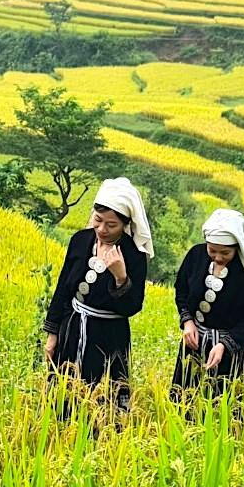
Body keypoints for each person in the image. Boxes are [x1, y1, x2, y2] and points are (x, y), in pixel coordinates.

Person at [43, 177, 153, 413]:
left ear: (125, 224)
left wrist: (121, 277)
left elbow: (132, 307)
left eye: (111, 225)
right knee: (63, 394)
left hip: (108, 338)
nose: (102, 229)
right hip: (72, 329)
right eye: (98, 220)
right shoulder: (80, 241)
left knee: (103, 403)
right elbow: (63, 288)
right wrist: (53, 334)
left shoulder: (134, 255)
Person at [172, 208, 244, 398]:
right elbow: (181, 290)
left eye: (225, 252)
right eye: (212, 250)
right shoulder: (196, 256)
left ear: (238, 247)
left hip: (232, 349)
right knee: (185, 401)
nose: (218, 257)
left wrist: (225, 344)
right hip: (195, 345)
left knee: (226, 407)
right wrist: (188, 321)